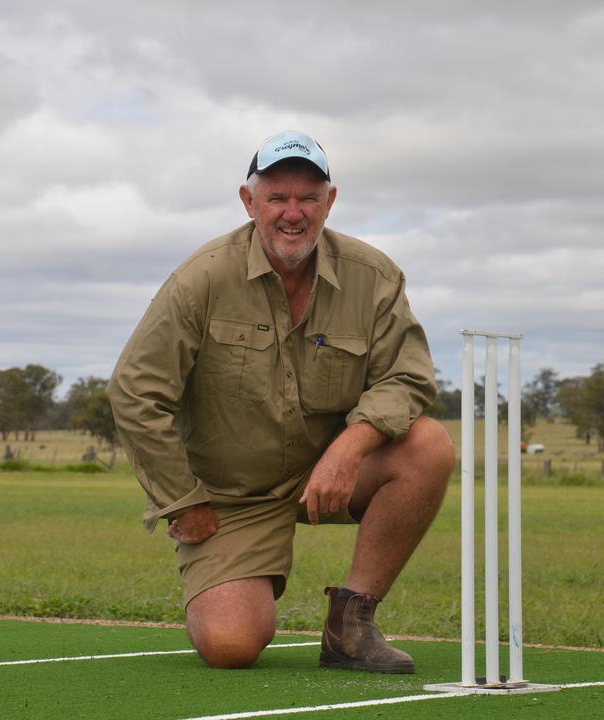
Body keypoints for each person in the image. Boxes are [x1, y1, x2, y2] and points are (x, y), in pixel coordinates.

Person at [108, 130, 454, 673]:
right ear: (249, 202)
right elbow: (134, 391)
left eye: (308, 198)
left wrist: (350, 447)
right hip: (230, 497)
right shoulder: (201, 277)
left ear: (329, 202)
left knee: (428, 445)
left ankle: (351, 626)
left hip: (329, 472)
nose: (293, 213)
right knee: (231, 646)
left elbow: (408, 379)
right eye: (277, 197)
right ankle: (237, 583)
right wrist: (181, 501)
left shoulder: (375, 277)